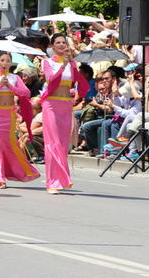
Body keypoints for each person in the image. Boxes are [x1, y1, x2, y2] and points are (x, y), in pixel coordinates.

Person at [0, 52, 39, 189]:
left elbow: (26, 93)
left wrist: (11, 87)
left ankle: (18, 171)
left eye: (7, 60)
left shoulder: (15, 78)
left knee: (9, 143)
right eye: (2, 60)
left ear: (11, 63)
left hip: (9, 115)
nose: (5, 63)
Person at [40, 33, 89, 194]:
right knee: (52, 142)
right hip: (51, 104)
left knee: (62, 144)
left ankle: (60, 179)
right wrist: (63, 66)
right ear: (52, 46)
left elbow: (78, 82)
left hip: (66, 105)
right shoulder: (47, 62)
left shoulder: (71, 63)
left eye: (64, 42)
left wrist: (72, 63)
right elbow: (51, 79)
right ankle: (52, 182)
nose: (61, 45)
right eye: (58, 42)